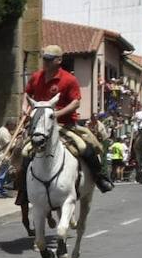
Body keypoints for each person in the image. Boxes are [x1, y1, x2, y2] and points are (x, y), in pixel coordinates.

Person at [23, 44, 113, 193]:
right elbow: (26, 95)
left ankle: (100, 178)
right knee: (24, 152)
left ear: (58, 60)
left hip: (65, 124)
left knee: (86, 147)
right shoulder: (36, 77)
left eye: (49, 59)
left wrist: (56, 115)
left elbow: (76, 102)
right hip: (40, 126)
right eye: (44, 59)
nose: (45, 62)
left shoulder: (69, 79)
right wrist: (24, 108)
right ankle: (23, 187)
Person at [0, 118, 15, 197]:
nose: (14, 127)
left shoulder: (2, 130)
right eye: (13, 125)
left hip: (3, 156)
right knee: (2, 174)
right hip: (2, 156)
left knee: (4, 174)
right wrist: (16, 138)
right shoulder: (4, 132)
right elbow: (10, 145)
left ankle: (1, 190)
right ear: (9, 125)